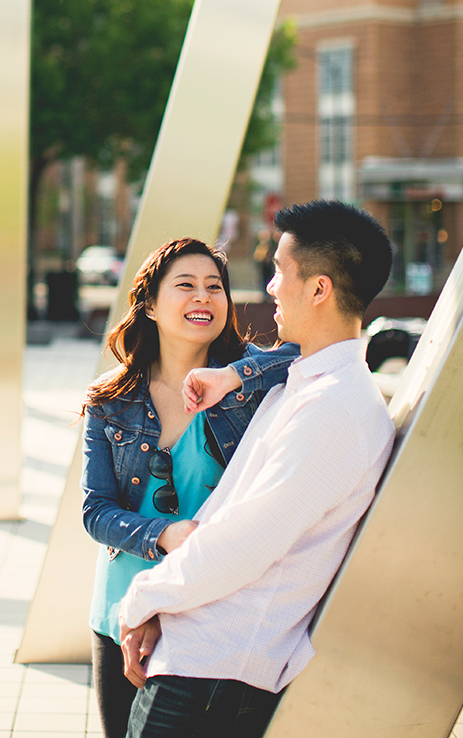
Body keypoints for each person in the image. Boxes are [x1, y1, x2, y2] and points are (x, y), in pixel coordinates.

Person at [116, 200, 396, 738]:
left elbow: (245, 542)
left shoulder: (333, 410)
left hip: (214, 671)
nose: (269, 287)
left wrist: (143, 599)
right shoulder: (307, 386)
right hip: (201, 658)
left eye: (279, 272)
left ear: (318, 289)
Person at [79, 238, 297, 738]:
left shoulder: (250, 387)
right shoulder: (111, 399)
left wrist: (231, 376)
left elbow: (306, 356)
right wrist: (165, 534)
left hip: (209, 609)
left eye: (214, 287)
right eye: (186, 285)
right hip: (122, 606)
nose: (203, 297)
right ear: (151, 304)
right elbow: (96, 511)